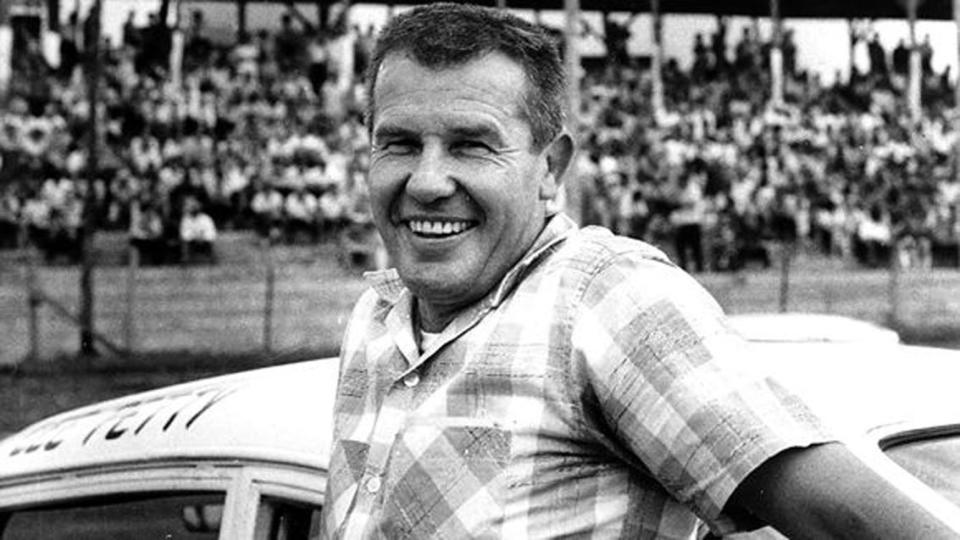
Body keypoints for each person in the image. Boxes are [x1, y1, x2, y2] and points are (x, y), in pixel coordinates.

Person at [321, 4, 960, 538]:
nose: (427, 182)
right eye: (400, 143)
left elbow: (863, 522)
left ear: (551, 170)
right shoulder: (376, 316)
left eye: (471, 145)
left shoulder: (606, 301)